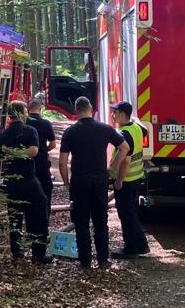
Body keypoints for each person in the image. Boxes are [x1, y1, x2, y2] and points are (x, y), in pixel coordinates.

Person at [58, 96, 126, 270]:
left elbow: (62, 162)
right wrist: (113, 166)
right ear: (91, 109)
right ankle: (103, 260)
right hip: (99, 180)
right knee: (100, 221)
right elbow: (124, 147)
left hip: (79, 181)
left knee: (81, 223)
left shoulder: (70, 132)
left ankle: (85, 261)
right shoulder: (105, 129)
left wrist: (66, 183)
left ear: (76, 110)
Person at [0, 100, 53, 264]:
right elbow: (33, 151)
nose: (27, 114)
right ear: (20, 113)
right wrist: (20, 152)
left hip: (11, 182)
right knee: (40, 212)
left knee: (15, 217)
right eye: (25, 111)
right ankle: (38, 254)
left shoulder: (3, 135)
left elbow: (0, 156)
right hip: (28, 180)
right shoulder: (30, 131)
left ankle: (17, 253)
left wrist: (10, 150)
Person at [109, 101, 150, 258]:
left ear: (123, 114)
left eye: (115, 112)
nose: (112, 115)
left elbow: (125, 162)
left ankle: (131, 248)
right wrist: (135, 119)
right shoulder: (136, 128)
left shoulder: (123, 134)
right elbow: (146, 130)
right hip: (136, 177)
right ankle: (142, 245)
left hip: (126, 181)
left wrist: (118, 180)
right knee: (131, 213)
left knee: (126, 215)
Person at [26, 97, 57, 216]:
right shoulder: (46, 123)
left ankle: (29, 218)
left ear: (28, 108)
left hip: (26, 163)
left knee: (28, 193)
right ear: (40, 108)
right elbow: (53, 144)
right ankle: (45, 218)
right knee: (45, 192)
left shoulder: (23, 123)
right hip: (42, 163)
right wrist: (43, 150)